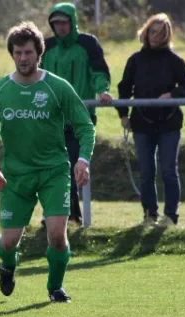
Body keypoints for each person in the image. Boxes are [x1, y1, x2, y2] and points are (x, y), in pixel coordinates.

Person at [0, 22, 95, 303]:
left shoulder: (57, 87)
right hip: (15, 176)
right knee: (8, 242)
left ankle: (55, 287)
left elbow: (85, 126)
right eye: (18, 52)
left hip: (53, 172)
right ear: (12, 54)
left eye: (28, 52)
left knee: (57, 235)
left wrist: (82, 159)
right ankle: (7, 264)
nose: (23, 58)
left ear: (39, 53)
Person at [117, 13, 185, 226]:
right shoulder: (135, 60)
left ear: (166, 35)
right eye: (153, 31)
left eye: (161, 33)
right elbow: (124, 88)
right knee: (146, 171)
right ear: (146, 32)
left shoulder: (175, 61)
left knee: (169, 169)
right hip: (142, 123)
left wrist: (172, 95)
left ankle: (171, 216)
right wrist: (123, 115)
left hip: (170, 123)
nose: (156, 36)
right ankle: (149, 215)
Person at [40, 2, 111, 226]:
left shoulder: (88, 43)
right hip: (51, 119)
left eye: (63, 22)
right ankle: (61, 214)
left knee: (73, 167)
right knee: (52, 169)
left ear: (72, 21)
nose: (59, 27)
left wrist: (102, 91)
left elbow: (98, 71)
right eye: (55, 23)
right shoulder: (46, 46)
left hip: (80, 118)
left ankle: (71, 214)